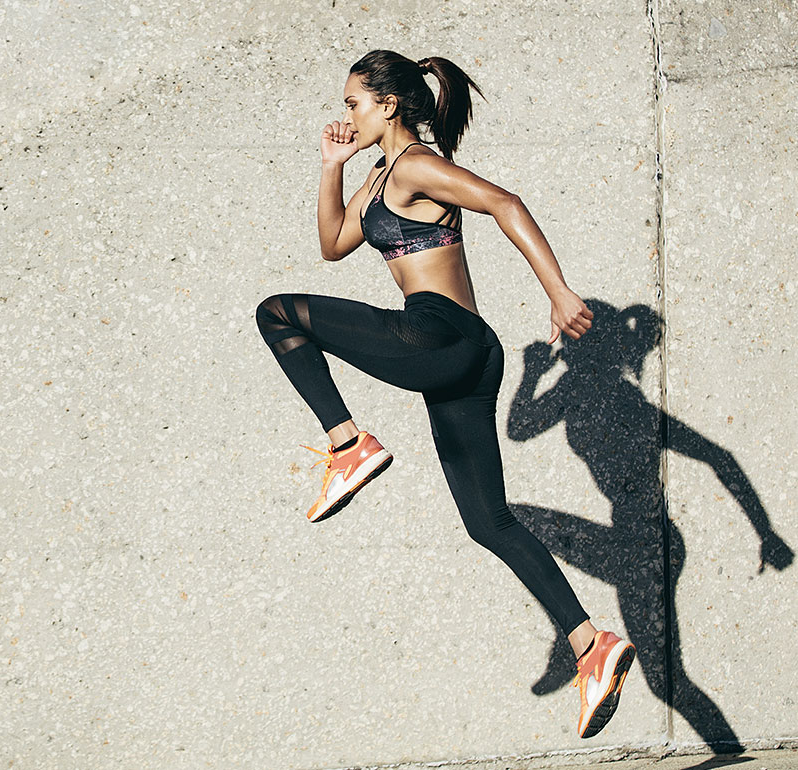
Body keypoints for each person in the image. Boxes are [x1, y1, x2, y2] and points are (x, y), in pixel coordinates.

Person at [252, 49, 635, 739]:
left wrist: (558, 291)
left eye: (354, 104)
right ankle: (591, 645)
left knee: (277, 313)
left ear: (389, 104)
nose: (346, 116)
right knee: (488, 522)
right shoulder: (377, 178)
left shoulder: (418, 166)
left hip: (443, 334)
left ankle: (348, 443)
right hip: (462, 357)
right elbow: (333, 244)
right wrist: (331, 167)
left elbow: (503, 202)